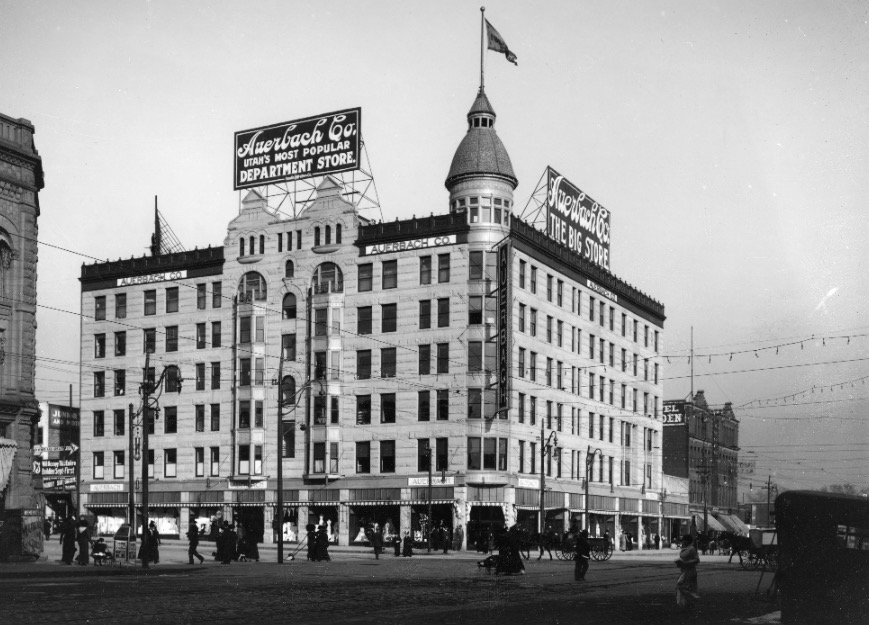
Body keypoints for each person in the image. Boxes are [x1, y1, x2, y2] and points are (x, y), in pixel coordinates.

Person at [675, 534, 701, 610]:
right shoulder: (685, 549)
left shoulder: (691, 549)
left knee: (681, 585)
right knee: (686, 587)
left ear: (687, 541)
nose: (683, 542)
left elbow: (697, 560)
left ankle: (694, 597)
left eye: (684, 540)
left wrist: (686, 563)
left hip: (690, 571)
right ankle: (689, 604)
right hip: (684, 570)